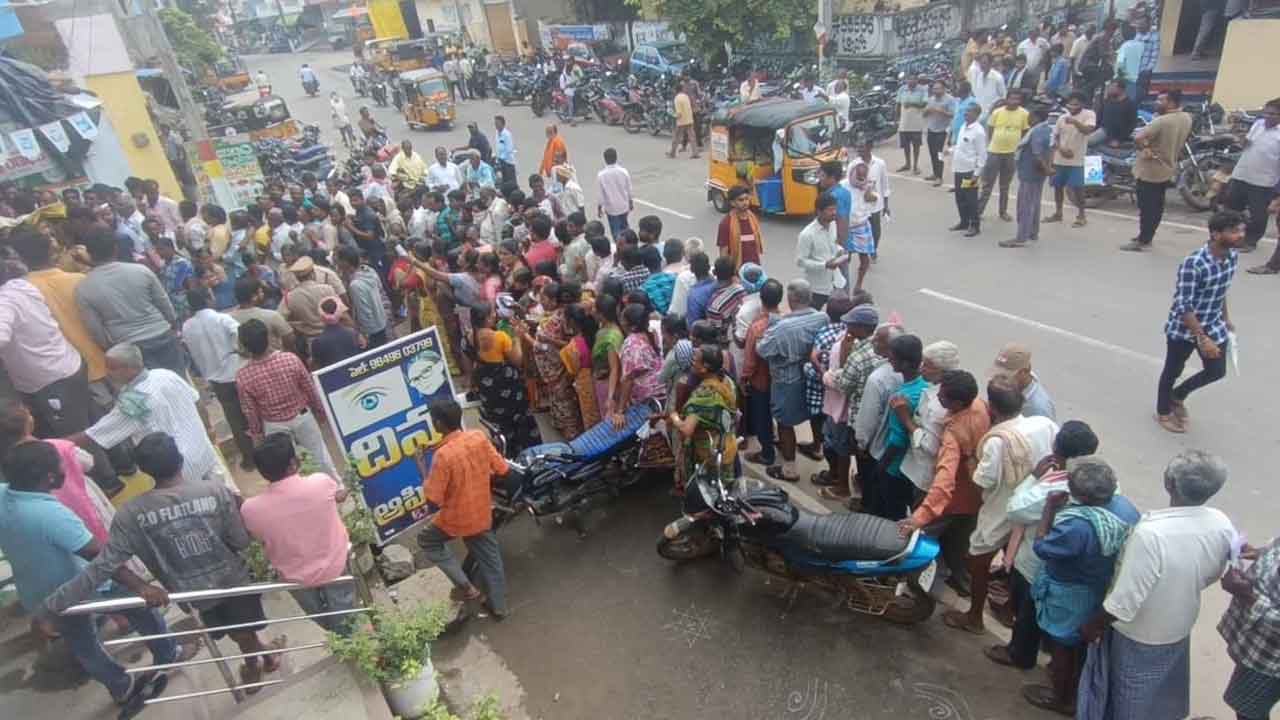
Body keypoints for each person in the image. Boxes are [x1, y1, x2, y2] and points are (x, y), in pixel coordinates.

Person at [45, 432, 286, 689]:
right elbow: (240, 541)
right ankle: (255, 664)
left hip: (191, 593)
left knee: (240, 630)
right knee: (242, 630)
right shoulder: (215, 491)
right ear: (180, 459)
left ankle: (262, 657)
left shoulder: (131, 514)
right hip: (233, 580)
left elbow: (105, 563)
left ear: (144, 470)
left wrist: (53, 604)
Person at [0, 441, 177, 708]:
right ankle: (168, 654)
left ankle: (121, 688)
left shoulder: (4, 495)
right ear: (49, 477)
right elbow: (99, 557)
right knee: (140, 608)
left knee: (82, 644)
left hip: (38, 592)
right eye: (59, 465)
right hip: (80, 586)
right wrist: (142, 586)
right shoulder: (50, 514)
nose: (64, 468)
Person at [1077, 450, 1234, 720]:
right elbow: (1216, 571)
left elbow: (1124, 601)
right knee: (1161, 694)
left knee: (1130, 699)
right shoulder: (1220, 521)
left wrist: (1094, 624)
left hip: (1139, 634)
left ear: (1169, 483)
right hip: (1179, 624)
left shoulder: (1151, 535)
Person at [1016, 455, 1139, 715]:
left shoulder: (1078, 527)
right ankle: (1073, 686)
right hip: (1099, 588)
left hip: (1069, 593)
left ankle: (1062, 697)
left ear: (1079, 494)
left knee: (1062, 645)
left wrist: (1049, 509)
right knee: (1080, 644)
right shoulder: (1126, 509)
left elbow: (1042, 547)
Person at [943, 377, 1057, 635]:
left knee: (978, 560)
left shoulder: (997, 441)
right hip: (1034, 505)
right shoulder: (1044, 424)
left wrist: (971, 455)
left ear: (992, 408)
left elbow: (981, 481)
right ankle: (1008, 609)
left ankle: (974, 617)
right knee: (1017, 559)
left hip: (1001, 510)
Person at [989, 420, 1099, 671]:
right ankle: (1046, 651)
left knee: (1027, 611)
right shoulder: (1099, 479)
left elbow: (1015, 510)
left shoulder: (1055, 487)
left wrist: (1032, 478)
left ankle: (1020, 654)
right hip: (1073, 567)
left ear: (1056, 450)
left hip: (1036, 564)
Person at [241, 433, 356, 635]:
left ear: (262, 472)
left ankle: (337, 637)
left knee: (318, 615)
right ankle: (348, 640)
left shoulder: (251, 510)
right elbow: (337, 495)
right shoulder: (320, 482)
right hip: (334, 564)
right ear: (294, 463)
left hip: (295, 577)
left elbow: (258, 538)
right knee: (344, 608)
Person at [72, 343, 228, 487]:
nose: (108, 373)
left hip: (178, 469)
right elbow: (197, 401)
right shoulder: (166, 374)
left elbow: (96, 434)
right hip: (204, 451)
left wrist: (56, 444)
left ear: (129, 368)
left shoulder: (133, 401)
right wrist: (209, 430)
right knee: (225, 496)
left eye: (112, 368)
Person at [414, 398, 510, 617]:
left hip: (455, 519)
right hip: (482, 512)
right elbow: (503, 469)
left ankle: (467, 587)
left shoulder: (443, 456)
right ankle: (500, 607)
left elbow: (433, 499)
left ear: (438, 424)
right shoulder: (478, 436)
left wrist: (421, 467)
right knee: (491, 560)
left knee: (427, 541)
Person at [897, 369, 990, 594]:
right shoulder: (980, 406)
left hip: (952, 500)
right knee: (960, 545)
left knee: (918, 539)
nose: (938, 397)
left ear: (957, 403)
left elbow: (943, 483)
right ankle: (962, 582)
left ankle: (912, 589)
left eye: (943, 396)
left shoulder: (953, 435)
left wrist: (919, 518)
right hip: (975, 497)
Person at [7, 228, 112, 417]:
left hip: (73, 373)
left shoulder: (23, 292)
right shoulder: (80, 279)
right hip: (109, 359)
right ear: (51, 250)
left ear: (19, 257)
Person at [1154, 210, 1242, 433]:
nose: (1240, 235)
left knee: (1216, 371)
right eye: (1233, 232)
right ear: (1215, 234)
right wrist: (1202, 339)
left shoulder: (1232, 256)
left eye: (1241, 230)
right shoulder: (1194, 264)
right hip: (1184, 328)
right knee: (1172, 370)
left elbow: (1221, 290)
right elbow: (1184, 306)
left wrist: (1226, 318)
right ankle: (1163, 412)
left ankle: (1178, 395)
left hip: (1213, 323)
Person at [0, 262, 95, 440]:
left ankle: (108, 468)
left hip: (51, 380)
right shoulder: (20, 286)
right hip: (64, 366)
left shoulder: (4, 303)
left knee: (76, 438)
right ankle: (123, 465)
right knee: (89, 426)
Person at [235, 319, 339, 477]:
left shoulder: (243, 376)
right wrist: (320, 411)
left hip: (274, 426)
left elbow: (250, 412)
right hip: (302, 416)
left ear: (244, 346)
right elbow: (310, 389)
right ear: (268, 338)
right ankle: (335, 487)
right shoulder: (290, 359)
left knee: (286, 468)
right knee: (321, 456)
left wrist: (257, 435)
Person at [75, 227, 183, 375]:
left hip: (129, 347)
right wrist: (173, 324)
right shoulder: (140, 271)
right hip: (161, 333)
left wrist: (113, 347)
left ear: (89, 254)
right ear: (115, 248)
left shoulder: (84, 288)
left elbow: (96, 329)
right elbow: (163, 302)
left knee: (151, 391)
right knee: (179, 382)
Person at [756, 280, 828, 482]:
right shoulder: (822, 317)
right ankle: (816, 447)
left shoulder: (781, 327)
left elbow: (762, 350)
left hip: (788, 380)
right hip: (813, 375)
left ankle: (789, 469)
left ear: (791, 299)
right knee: (816, 413)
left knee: (785, 422)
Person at [182, 288, 253, 470]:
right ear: (208, 299)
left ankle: (249, 458)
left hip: (216, 379)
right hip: (237, 371)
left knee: (234, 418)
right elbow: (239, 334)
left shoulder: (187, 326)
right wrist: (241, 351)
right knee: (253, 411)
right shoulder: (222, 318)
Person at [1218, 535, 1280, 720]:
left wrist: (1248, 596)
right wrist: (1261, 553)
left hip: (1270, 661)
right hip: (1259, 646)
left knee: (1249, 711)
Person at [1126, 90, 1195, 249]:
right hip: (1168, 167)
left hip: (1150, 169)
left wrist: (1144, 148)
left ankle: (1143, 240)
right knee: (1157, 205)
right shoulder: (1186, 118)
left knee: (1146, 207)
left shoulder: (1162, 121)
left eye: (1160, 100)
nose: (1157, 103)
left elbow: (1138, 138)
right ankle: (1148, 236)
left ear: (1171, 103)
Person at [666, 343, 737, 494]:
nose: (692, 362)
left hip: (708, 454)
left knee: (709, 494)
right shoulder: (726, 383)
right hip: (727, 445)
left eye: (695, 359)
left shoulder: (703, 395)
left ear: (704, 367)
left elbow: (687, 430)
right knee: (724, 492)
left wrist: (675, 417)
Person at [896, 340, 961, 496]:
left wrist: (906, 420)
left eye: (927, 365)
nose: (921, 368)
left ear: (940, 370)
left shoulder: (938, 404)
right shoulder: (935, 390)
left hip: (925, 475)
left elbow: (930, 446)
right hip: (917, 468)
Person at [1228, 98, 1280, 256]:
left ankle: (1250, 241)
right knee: (1233, 209)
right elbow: (1248, 145)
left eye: (1272, 114)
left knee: (1258, 214)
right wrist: (1241, 139)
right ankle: (1230, 237)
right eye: (1266, 112)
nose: (1267, 116)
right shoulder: (1258, 124)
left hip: (1263, 181)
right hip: (1242, 173)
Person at [1002, 106, 1054, 248]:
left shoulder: (1036, 131)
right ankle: (1032, 232)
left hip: (1030, 172)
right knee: (1034, 203)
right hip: (1037, 173)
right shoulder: (1048, 129)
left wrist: (1046, 168)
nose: (1028, 119)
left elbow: (1037, 154)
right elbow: (1050, 150)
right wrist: (1047, 168)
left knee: (1025, 205)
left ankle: (1021, 237)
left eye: (1030, 116)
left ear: (1036, 117)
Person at [977, 89, 1030, 224]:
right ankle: (978, 211)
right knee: (987, 184)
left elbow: (1025, 131)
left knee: (1005, 185)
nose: (1015, 102)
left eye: (1017, 99)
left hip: (1011, 154)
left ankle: (1003, 211)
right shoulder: (997, 112)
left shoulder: (1024, 114)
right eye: (1012, 99)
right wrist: (992, 144)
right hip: (994, 152)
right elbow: (990, 129)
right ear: (1007, 99)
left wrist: (1017, 147)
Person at [611, 302, 666, 428]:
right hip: (661, 391)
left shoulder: (631, 345)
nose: (621, 322)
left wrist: (620, 411)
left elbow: (628, 380)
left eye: (623, 319)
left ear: (632, 326)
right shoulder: (651, 334)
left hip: (647, 399)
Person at [1046, 92, 1095, 228]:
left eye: (1075, 104)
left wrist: (1075, 122)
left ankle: (1081, 215)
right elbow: (1055, 137)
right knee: (1057, 187)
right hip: (1060, 159)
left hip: (1077, 160)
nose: (1072, 107)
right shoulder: (1062, 118)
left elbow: (1088, 130)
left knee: (1078, 188)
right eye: (1070, 104)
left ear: (1082, 104)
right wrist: (1061, 149)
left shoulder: (1089, 114)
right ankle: (1058, 212)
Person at [334, 245, 389, 348]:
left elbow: (364, 313)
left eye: (338, 260)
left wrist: (365, 336)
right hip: (381, 322)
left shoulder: (355, 285)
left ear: (345, 262)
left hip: (372, 332)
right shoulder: (369, 271)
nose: (337, 264)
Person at [795, 193, 843, 307]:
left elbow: (833, 245)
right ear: (819, 211)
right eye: (830, 210)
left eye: (835, 209)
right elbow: (800, 261)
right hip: (816, 288)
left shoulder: (833, 225)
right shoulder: (807, 234)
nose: (834, 213)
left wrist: (840, 250)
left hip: (835, 281)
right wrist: (824, 265)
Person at [991, 342, 1057, 420]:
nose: (999, 380)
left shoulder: (1039, 410)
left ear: (1025, 371)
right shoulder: (1012, 388)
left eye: (1006, 376)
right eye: (999, 372)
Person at [951, 103, 988, 237]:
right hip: (958, 169)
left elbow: (982, 155)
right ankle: (964, 222)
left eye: (969, 112)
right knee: (960, 197)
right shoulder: (963, 127)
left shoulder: (978, 131)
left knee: (971, 199)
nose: (965, 114)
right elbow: (960, 147)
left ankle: (975, 225)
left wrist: (976, 174)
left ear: (976, 115)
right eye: (965, 111)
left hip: (969, 172)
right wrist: (949, 150)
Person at [229, 277, 294, 352]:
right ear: (254, 297)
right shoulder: (271, 315)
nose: (263, 294)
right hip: (272, 358)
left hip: (243, 361)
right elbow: (289, 337)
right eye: (260, 292)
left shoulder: (227, 318)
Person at [717, 185, 764, 269]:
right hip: (737, 272)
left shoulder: (752, 218)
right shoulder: (726, 224)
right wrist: (729, 275)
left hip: (755, 269)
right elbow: (723, 254)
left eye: (746, 199)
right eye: (741, 200)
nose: (745, 202)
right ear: (732, 203)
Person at [310, 297, 362, 370]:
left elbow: (318, 366)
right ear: (340, 313)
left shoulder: (317, 343)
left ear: (321, 316)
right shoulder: (353, 333)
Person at [1089, 79, 1138, 149]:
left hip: (1111, 134)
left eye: (1112, 87)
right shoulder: (1108, 101)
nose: (1109, 89)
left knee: (1086, 142)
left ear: (1120, 89)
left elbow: (1131, 125)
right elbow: (1099, 118)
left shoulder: (1130, 105)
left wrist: (1119, 140)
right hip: (1102, 130)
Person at [923, 81, 956, 183]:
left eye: (938, 88)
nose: (935, 91)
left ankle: (939, 177)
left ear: (944, 89)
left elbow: (953, 114)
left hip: (942, 130)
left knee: (939, 154)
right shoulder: (931, 99)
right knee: (932, 153)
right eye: (934, 89)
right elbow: (924, 114)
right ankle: (935, 173)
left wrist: (941, 111)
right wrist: (927, 111)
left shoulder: (950, 99)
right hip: (931, 129)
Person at [596, 148, 633, 239]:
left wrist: (599, 207)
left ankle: (619, 246)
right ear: (616, 158)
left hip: (611, 208)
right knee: (624, 226)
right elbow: (629, 189)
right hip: (623, 206)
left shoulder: (601, 175)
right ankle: (628, 243)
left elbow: (601, 195)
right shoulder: (624, 171)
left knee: (615, 230)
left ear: (605, 159)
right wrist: (630, 202)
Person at [896, 75, 927, 174]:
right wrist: (896, 119)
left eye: (913, 79)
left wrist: (912, 104)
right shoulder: (902, 89)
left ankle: (915, 166)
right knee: (905, 146)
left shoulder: (922, 90)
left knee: (916, 146)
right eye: (909, 79)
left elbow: (924, 103)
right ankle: (907, 164)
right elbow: (898, 104)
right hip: (904, 123)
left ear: (917, 81)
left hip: (916, 123)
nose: (910, 81)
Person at [967, 53, 1007, 120]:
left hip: (992, 114)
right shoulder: (979, 76)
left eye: (984, 63)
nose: (982, 65)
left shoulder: (997, 77)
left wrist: (993, 108)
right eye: (980, 63)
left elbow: (1003, 97)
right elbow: (977, 94)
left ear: (991, 63)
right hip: (979, 114)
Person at [668, 82, 700, 159]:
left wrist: (673, 114)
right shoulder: (686, 96)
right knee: (692, 137)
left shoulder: (677, 98)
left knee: (676, 137)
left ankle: (672, 153)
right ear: (682, 89)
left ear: (675, 90)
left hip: (682, 121)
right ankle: (695, 153)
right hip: (689, 119)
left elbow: (679, 113)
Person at [494, 115, 517, 186]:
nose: (496, 125)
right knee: (504, 182)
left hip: (508, 162)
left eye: (498, 123)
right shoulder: (497, 133)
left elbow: (509, 149)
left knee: (511, 182)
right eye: (495, 123)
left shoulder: (507, 135)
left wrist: (502, 158)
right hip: (501, 162)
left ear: (503, 124)